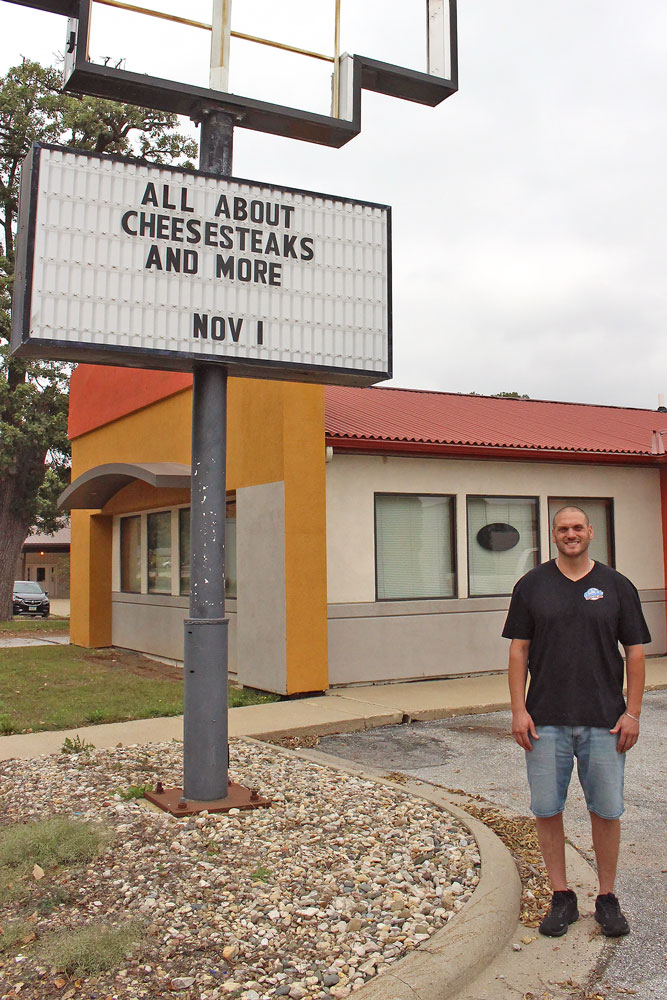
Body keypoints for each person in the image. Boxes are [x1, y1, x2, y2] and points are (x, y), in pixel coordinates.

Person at [502, 505, 649, 938]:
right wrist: (518, 710)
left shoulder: (617, 586)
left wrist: (632, 713)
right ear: (553, 536)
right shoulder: (531, 586)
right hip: (544, 721)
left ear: (590, 533)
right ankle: (562, 896)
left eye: (577, 528)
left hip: (605, 722)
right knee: (547, 810)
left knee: (606, 811)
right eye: (563, 529)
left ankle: (606, 898)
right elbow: (518, 651)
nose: (571, 534)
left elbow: (636, 653)